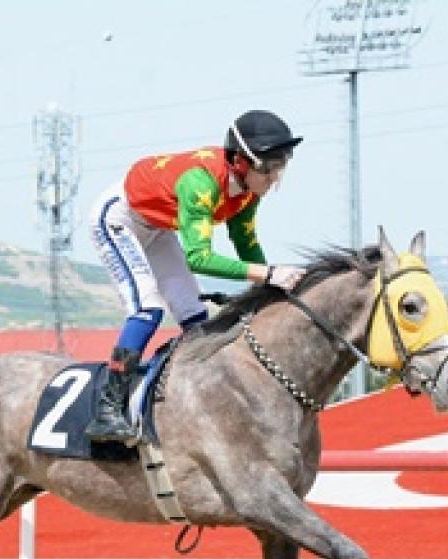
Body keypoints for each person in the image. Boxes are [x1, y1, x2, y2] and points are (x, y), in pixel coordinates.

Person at [84, 109, 308, 444]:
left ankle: (205, 394)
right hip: (119, 220)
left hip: (159, 226)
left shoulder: (248, 190)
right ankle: (107, 409)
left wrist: (269, 286)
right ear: (239, 162)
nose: (274, 177)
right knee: (148, 309)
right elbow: (198, 257)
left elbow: (245, 243)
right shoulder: (201, 184)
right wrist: (268, 273)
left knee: (194, 314)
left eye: (281, 165)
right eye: (268, 167)